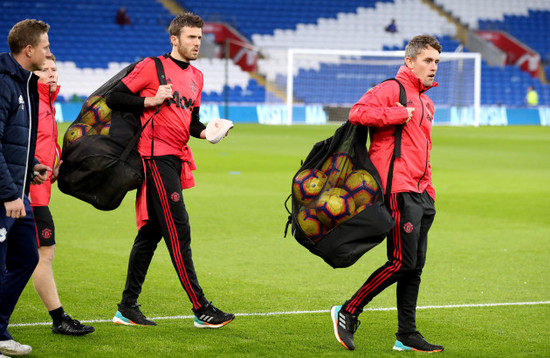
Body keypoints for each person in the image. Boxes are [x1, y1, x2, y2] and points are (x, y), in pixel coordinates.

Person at [106, 12, 235, 328]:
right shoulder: (153, 66)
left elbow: (191, 121)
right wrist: (149, 100)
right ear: (174, 39)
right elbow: (114, 97)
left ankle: (126, 308)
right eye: (191, 37)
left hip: (175, 159)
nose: (197, 43)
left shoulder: (197, 76)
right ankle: (201, 308)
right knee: (179, 230)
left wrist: (209, 131)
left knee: (150, 234)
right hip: (154, 159)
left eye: (200, 38)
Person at [330, 35, 444, 353]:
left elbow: (424, 150)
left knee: (414, 266)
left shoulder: (427, 102)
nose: (433, 67)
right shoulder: (393, 88)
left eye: (436, 61)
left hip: (421, 193)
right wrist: (397, 114)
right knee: (400, 261)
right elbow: (356, 113)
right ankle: (348, 311)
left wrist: (430, 190)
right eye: (427, 60)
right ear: (410, 61)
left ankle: (406, 334)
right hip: (397, 189)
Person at [30, 54, 95, 336]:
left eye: (55, 69)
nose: (52, 74)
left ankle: (58, 319)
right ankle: (59, 319)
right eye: (45, 70)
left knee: (27, 258)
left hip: (38, 191)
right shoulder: (30, 103)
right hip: (27, 194)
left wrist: (55, 161)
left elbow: (45, 143)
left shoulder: (46, 103)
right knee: (42, 255)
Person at [0, 19, 52, 356]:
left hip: (18, 191)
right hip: (6, 197)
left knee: (26, 258)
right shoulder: (5, 83)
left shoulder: (24, 83)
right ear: (29, 50)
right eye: (46, 47)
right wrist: (7, 193)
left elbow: (14, 141)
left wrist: (30, 167)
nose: (50, 53)